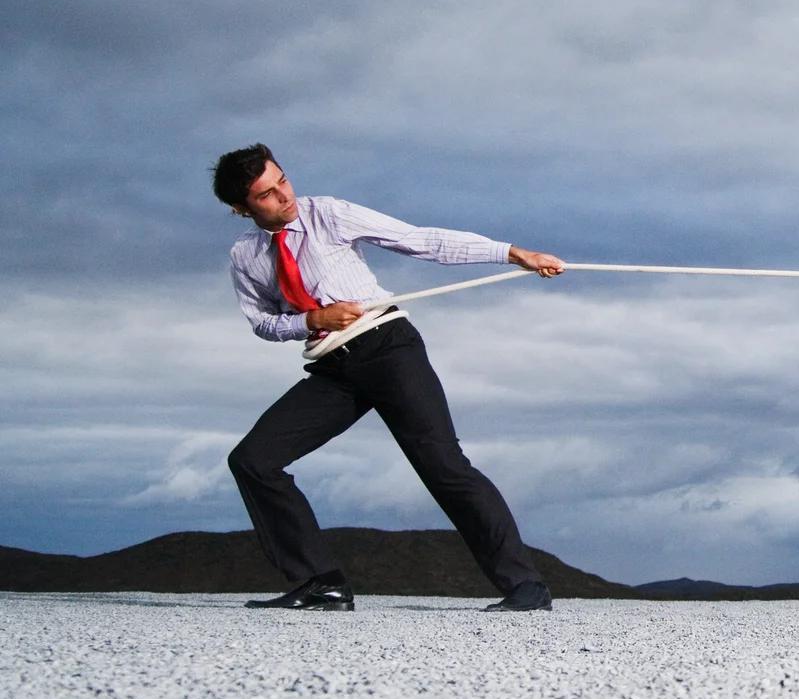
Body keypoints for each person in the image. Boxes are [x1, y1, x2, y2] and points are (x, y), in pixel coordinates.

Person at [212, 144, 566, 612]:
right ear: (241, 208)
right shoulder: (246, 255)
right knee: (253, 461)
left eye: (284, 181)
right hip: (333, 369)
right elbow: (263, 322)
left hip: (388, 349)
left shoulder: (329, 215)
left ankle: (525, 587)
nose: (284, 196)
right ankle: (321, 584)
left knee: (443, 466)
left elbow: (421, 240)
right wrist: (313, 320)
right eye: (266, 195)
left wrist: (513, 253)